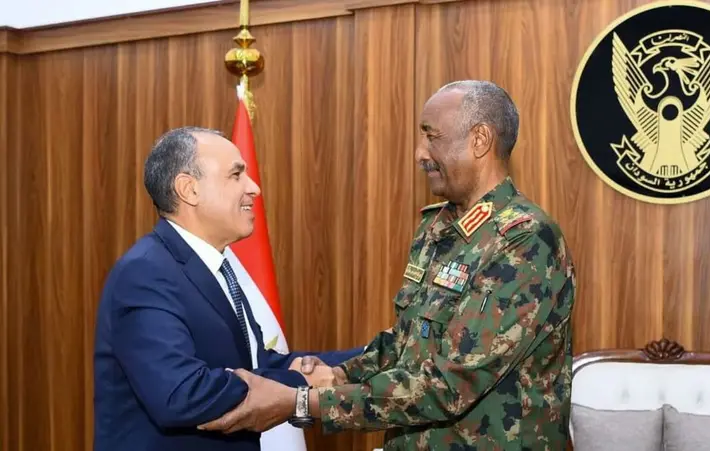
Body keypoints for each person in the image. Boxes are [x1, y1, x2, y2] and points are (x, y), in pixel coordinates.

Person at [198, 80, 577, 450]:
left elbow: (451, 385)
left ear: (479, 140)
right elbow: (407, 343)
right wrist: (338, 375)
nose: (420, 153)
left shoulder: (525, 240)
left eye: (432, 137)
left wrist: (302, 402)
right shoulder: (437, 227)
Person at [92, 127, 363, 451]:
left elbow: (255, 364)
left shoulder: (216, 266)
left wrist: (377, 354)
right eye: (236, 175)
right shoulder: (145, 272)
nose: (254, 188)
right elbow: (181, 393)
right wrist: (300, 383)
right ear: (189, 189)